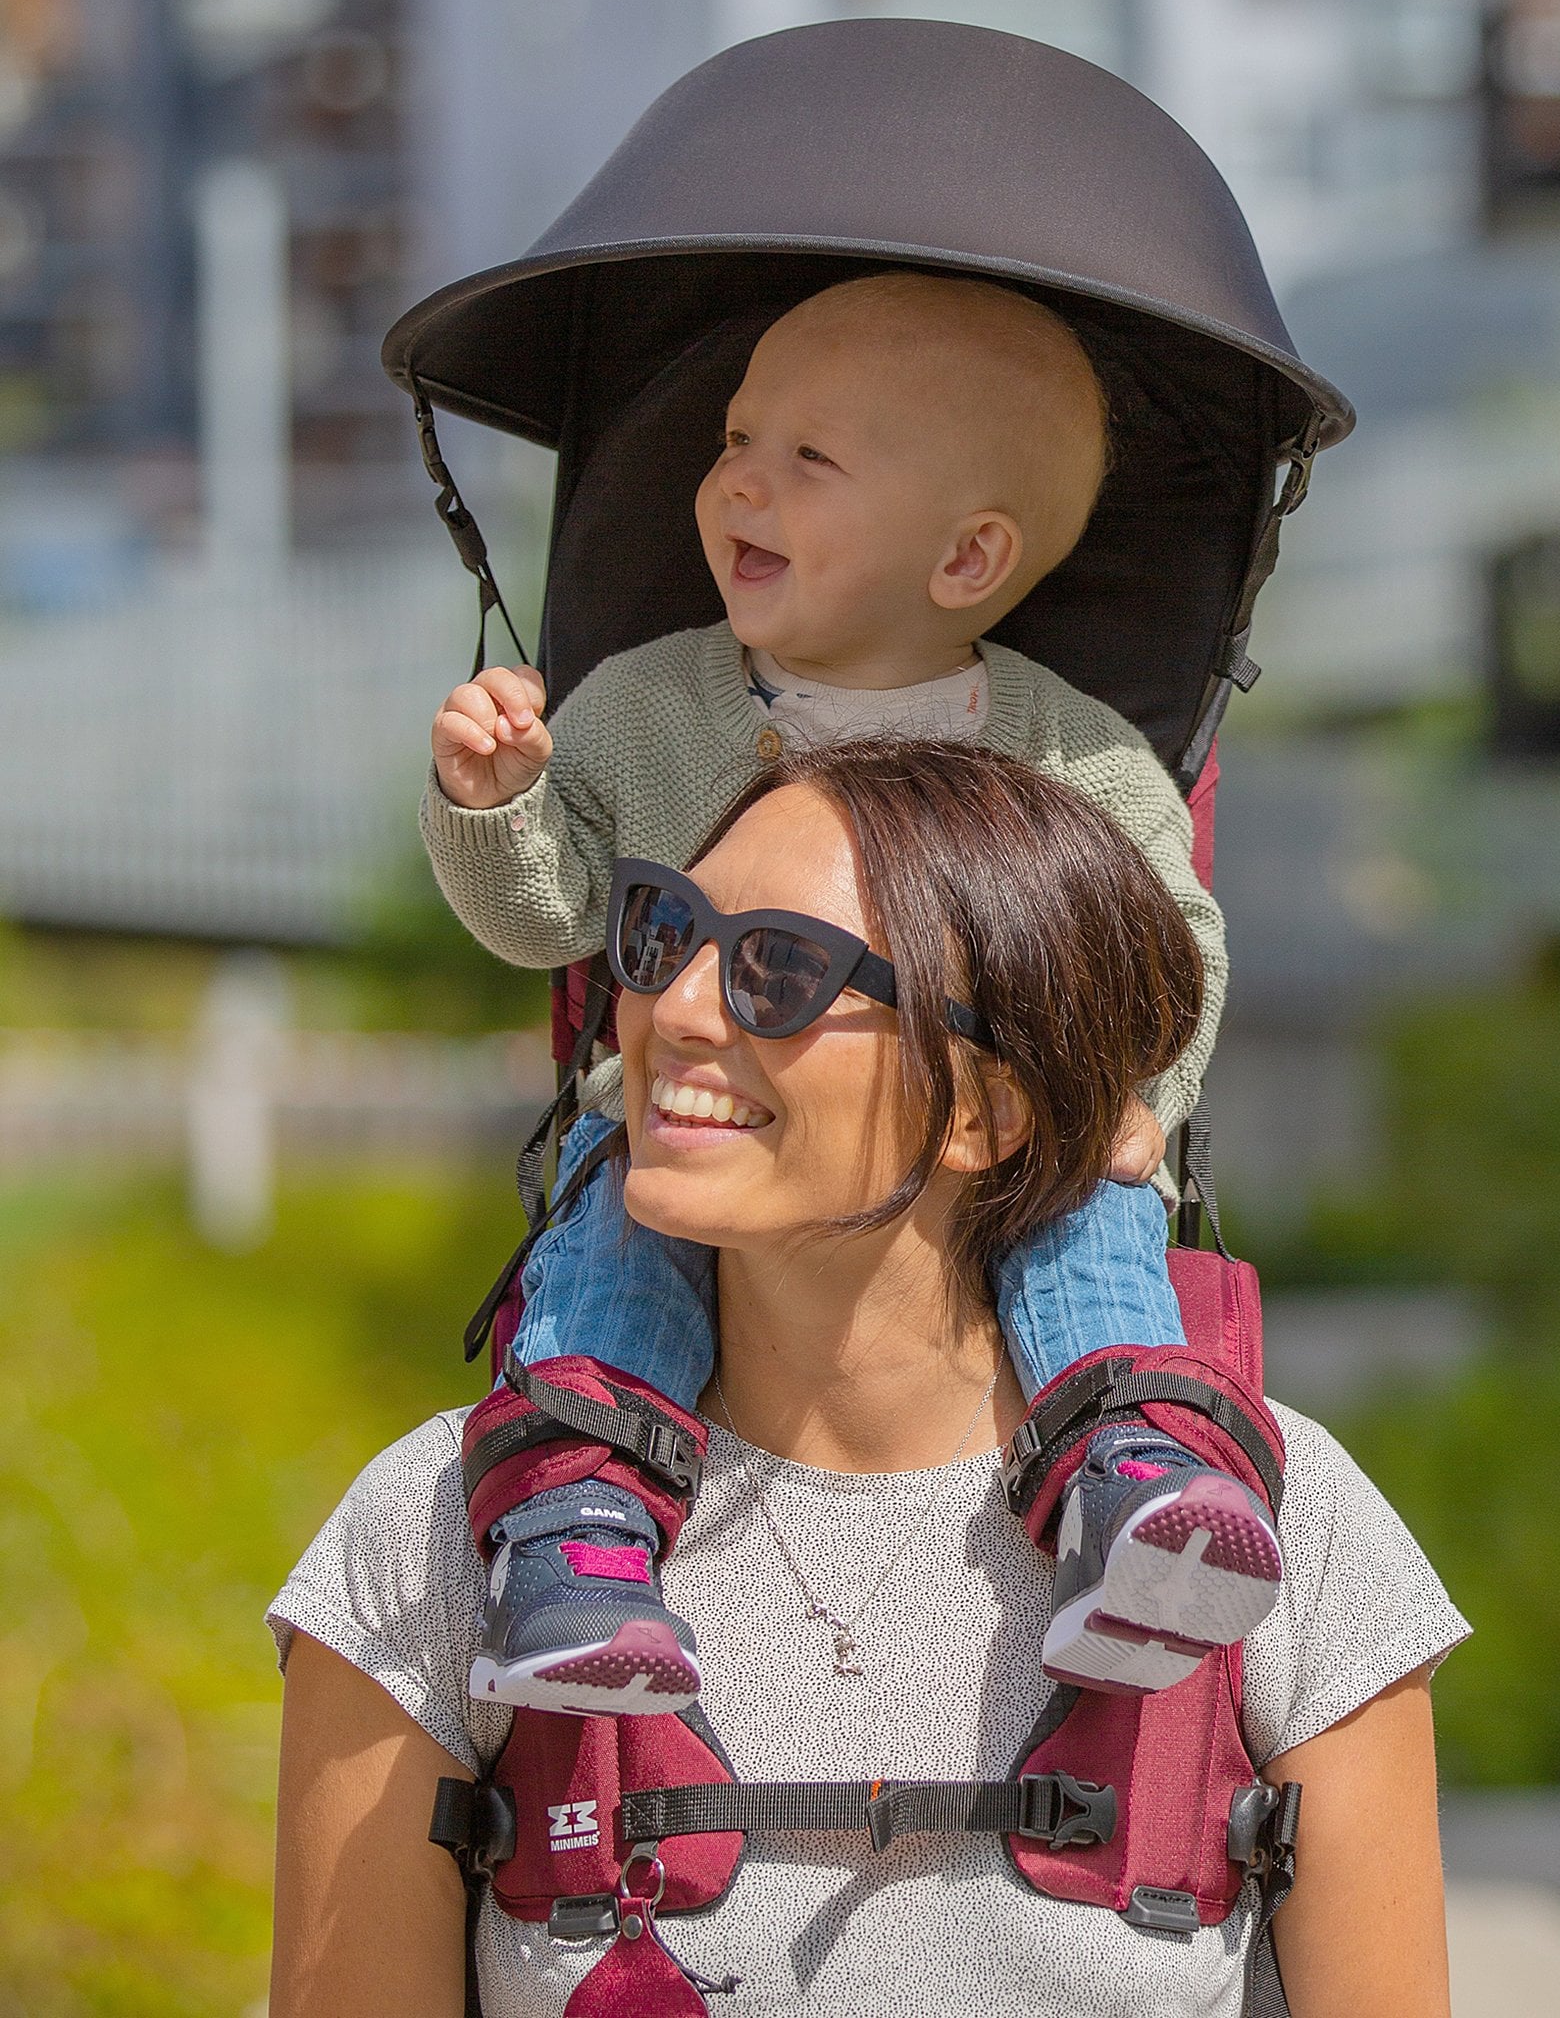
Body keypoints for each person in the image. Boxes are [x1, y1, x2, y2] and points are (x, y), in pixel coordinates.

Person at [270, 741, 1466, 2018]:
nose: (672, 1010)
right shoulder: (447, 1535)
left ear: (985, 1111)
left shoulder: (1266, 1526)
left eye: (777, 969)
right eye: (663, 932)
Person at [417, 270, 1267, 1715]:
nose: (739, 479)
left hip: (1009, 1127)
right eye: (737, 439)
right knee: (615, 1239)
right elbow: (549, 917)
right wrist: (494, 803)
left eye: (807, 459)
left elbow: (1168, 947)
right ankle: (577, 1533)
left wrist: (1141, 1101)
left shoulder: (1076, 754)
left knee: (1094, 1220)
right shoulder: (648, 705)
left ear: (966, 555)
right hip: (680, 1126)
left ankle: (1132, 1484)